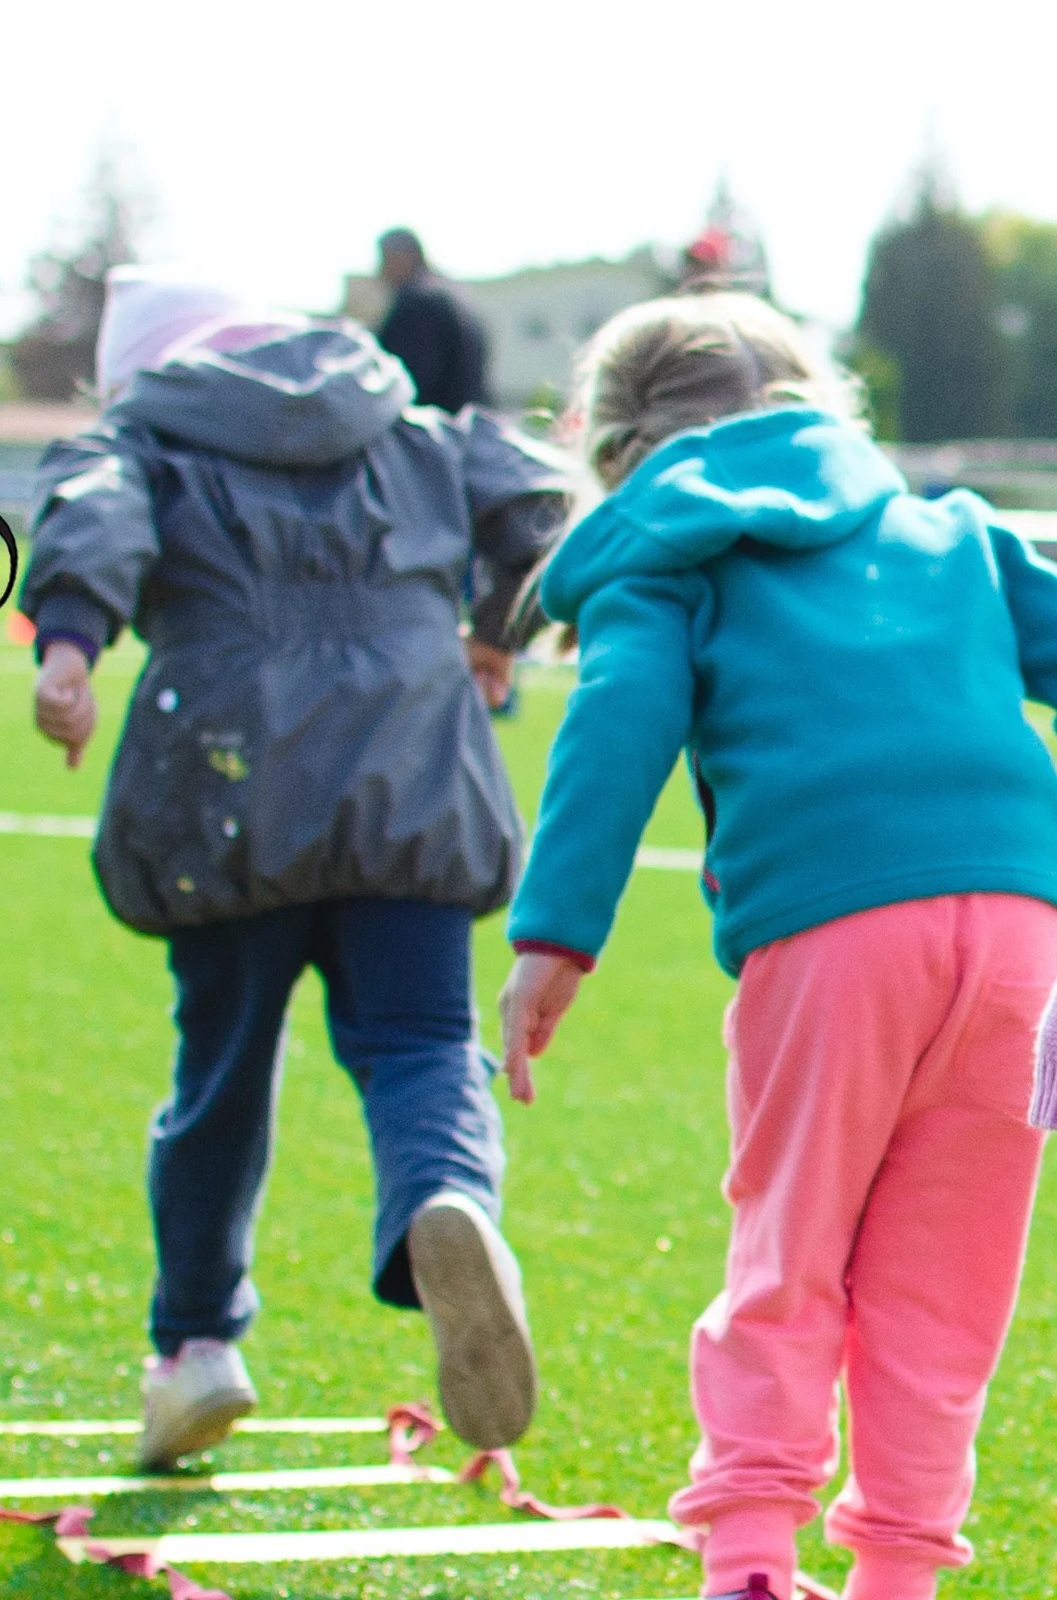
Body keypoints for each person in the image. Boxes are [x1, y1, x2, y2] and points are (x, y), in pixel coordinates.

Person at [495, 292, 1057, 1600]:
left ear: (616, 450)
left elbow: (621, 716)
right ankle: (901, 1575)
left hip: (836, 929)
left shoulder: (663, 551)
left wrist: (554, 937)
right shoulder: (952, 530)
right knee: (949, 1280)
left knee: (791, 1254)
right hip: (1025, 928)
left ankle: (751, 1557)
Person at [21, 265, 569, 1471]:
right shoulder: (404, 420)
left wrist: (69, 642)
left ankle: (197, 1346)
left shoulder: (147, 433)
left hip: (228, 790)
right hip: (416, 776)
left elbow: (95, 509)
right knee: (424, 1043)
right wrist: (495, 626)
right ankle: (451, 1200)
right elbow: (537, 502)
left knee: (220, 1070)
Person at [375, 227, 492, 414]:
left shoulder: (419, 301)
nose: (380, 270)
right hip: (470, 425)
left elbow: (409, 380)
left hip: (435, 430)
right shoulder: (454, 295)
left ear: (405, 256)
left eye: (384, 259)